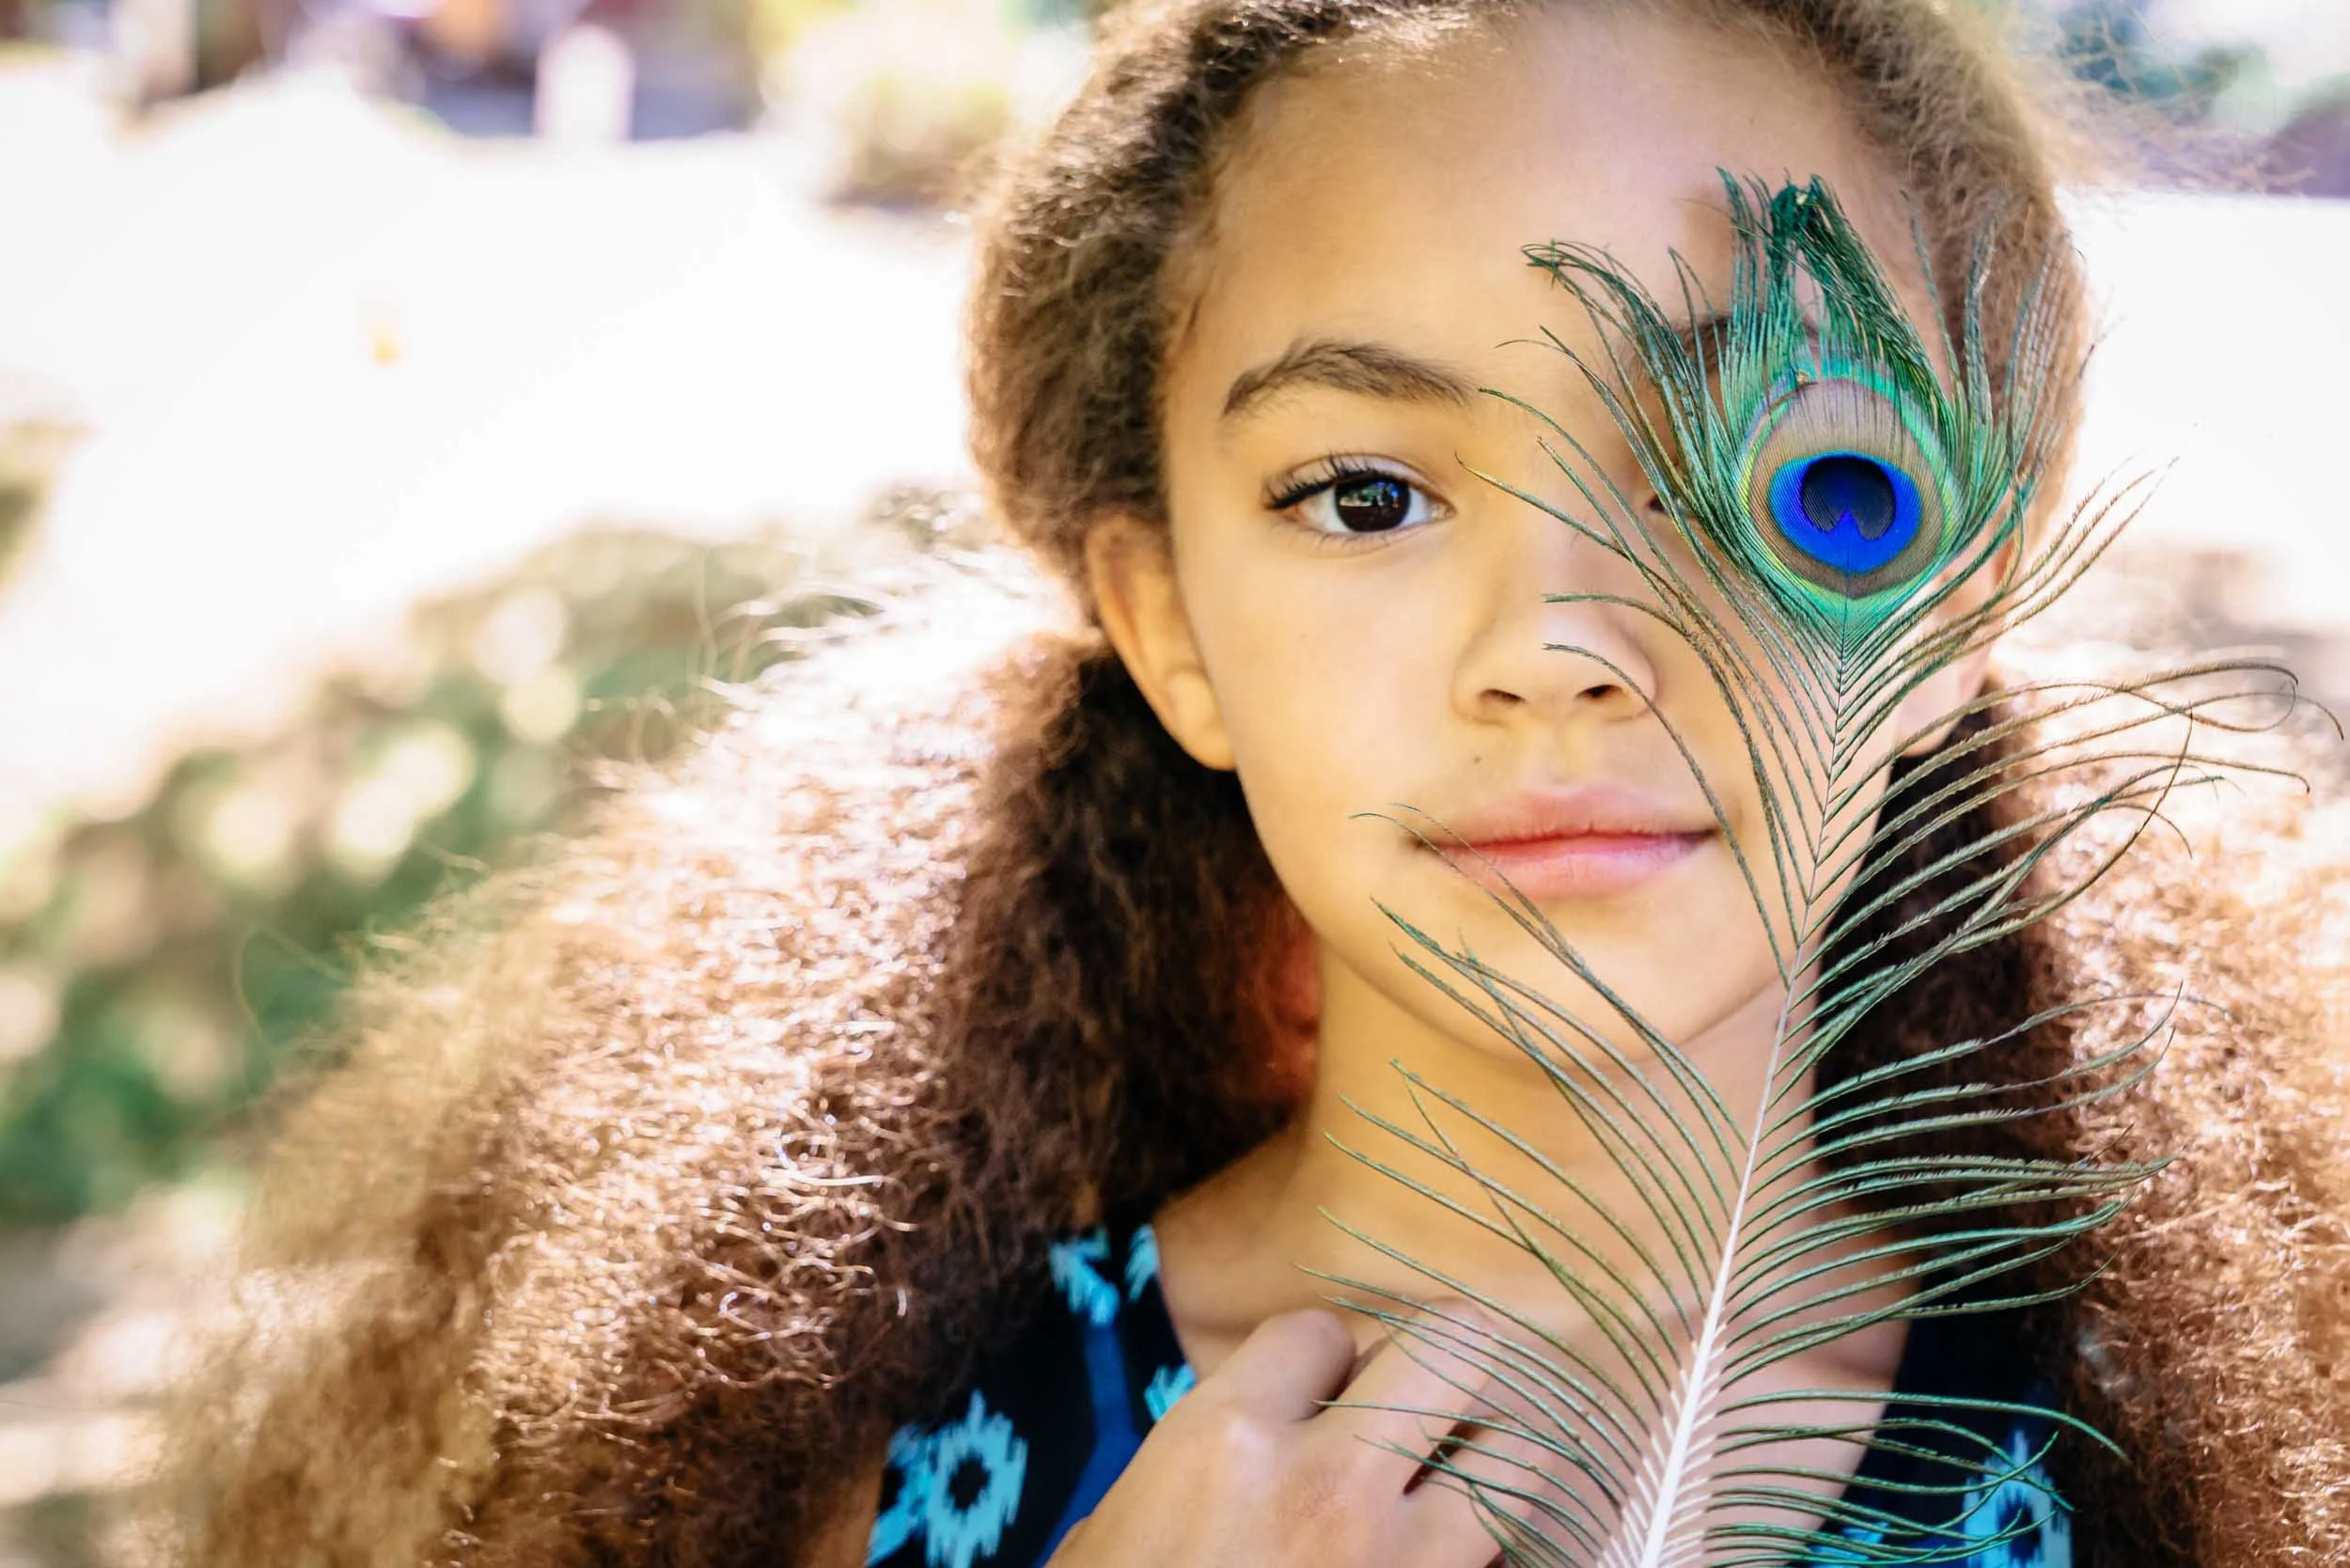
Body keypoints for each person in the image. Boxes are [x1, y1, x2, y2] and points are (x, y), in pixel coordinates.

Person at [166, 0, 2350, 1563]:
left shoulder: (2187, 1470)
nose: (1559, 643)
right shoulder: (918, 1474)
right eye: (1363, 494)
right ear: (1171, 624)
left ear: (1963, 584)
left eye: (1791, 473)